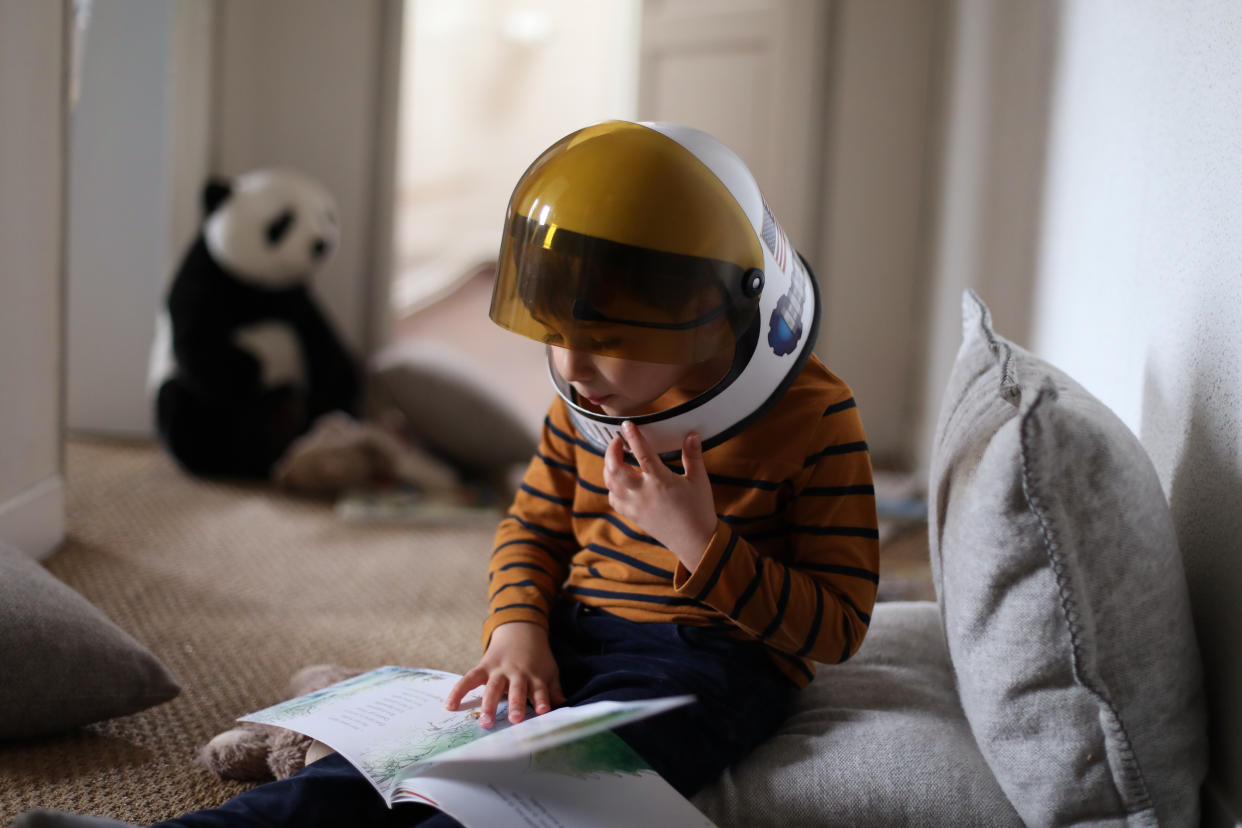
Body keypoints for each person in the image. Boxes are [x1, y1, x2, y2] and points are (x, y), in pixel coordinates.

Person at [15, 121, 878, 828]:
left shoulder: (815, 422)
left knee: (512, 804)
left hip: (708, 668)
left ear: (715, 318)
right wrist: (518, 631)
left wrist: (698, 539)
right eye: (556, 332)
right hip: (573, 634)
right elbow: (533, 529)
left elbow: (834, 629)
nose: (574, 366)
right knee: (383, 776)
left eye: (611, 339)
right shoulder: (586, 404)